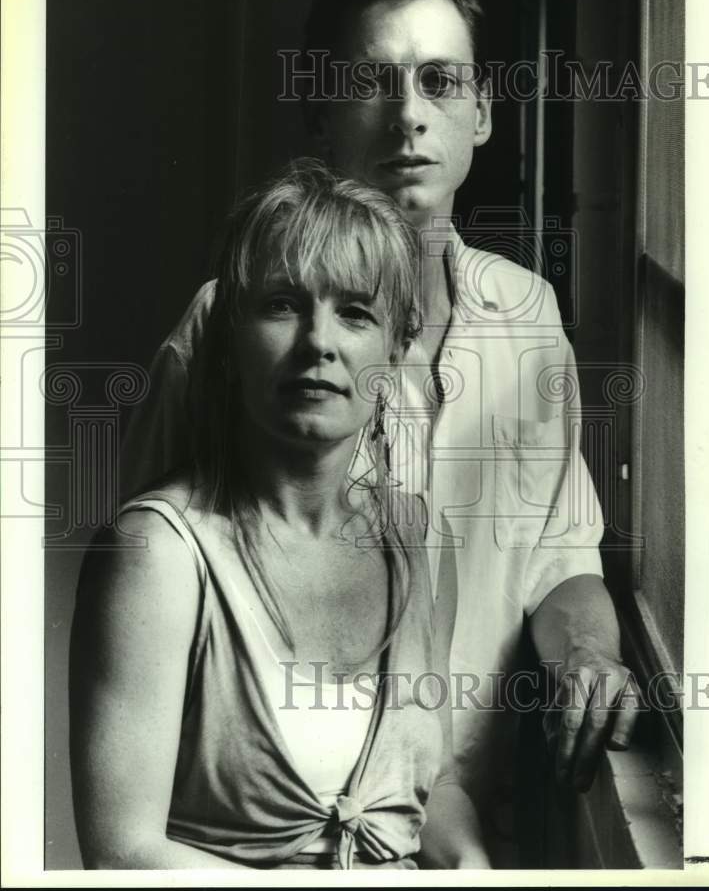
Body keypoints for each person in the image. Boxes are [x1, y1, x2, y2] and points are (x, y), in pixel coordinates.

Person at [118, 0, 638, 864]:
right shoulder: (229, 331)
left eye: (442, 82)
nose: (409, 118)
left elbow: (560, 553)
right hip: (263, 842)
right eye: (373, 82)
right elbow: (149, 586)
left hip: (464, 827)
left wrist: (589, 655)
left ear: (481, 112)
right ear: (322, 113)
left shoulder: (526, 316)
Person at [69, 160, 491, 870]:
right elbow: (123, 854)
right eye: (283, 305)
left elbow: (434, 781)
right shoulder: (159, 554)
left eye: (355, 312)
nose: (319, 342)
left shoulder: (412, 537)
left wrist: (472, 864)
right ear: (230, 339)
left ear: (394, 349)